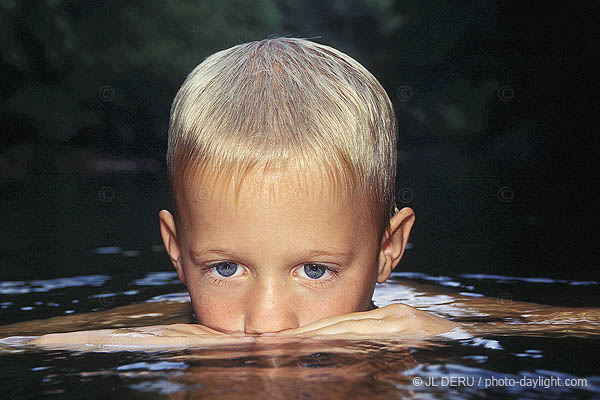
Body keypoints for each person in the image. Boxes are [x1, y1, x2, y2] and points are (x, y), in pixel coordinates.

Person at [31, 37, 457, 347]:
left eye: (314, 270)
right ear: (177, 250)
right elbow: (24, 341)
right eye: (226, 269)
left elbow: (524, 325)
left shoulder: (424, 311)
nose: (267, 324)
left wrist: (445, 331)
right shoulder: (158, 321)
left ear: (388, 248)